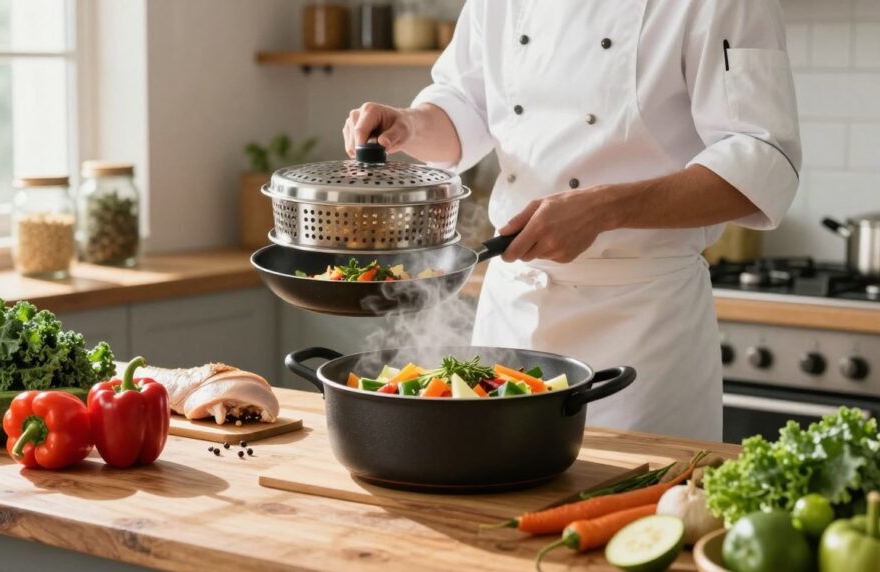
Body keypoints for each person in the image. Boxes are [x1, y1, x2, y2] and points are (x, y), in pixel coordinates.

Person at [342, 0, 801, 440]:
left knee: (639, 509)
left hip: (642, 329)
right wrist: (410, 124)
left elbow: (762, 161)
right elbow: (465, 105)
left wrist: (606, 209)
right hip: (512, 314)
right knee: (494, 504)